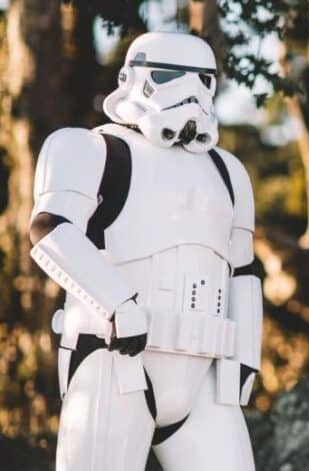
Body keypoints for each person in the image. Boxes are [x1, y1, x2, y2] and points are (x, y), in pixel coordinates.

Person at [29, 32, 261, 471]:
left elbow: (244, 268)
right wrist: (117, 305)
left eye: (204, 79)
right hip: (114, 362)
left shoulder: (228, 171)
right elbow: (49, 231)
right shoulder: (88, 147)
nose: (191, 90)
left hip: (203, 378)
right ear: (132, 77)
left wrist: (246, 353)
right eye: (171, 75)